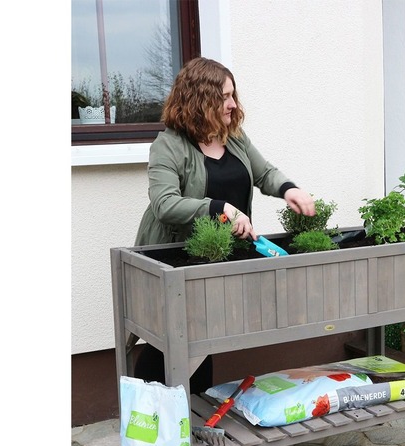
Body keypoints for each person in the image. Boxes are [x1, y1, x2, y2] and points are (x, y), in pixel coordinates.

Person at [133, 57, 316, 393]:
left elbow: (263, 173)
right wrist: (219, 208)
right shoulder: (169, 146)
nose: (233, 104)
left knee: (205, 335)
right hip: (178, 255)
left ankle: (193, 412)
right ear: (199, 100)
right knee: (172, 339)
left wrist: (289, 189)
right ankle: (150, 411)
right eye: (224, 97)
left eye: (233, 95)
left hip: (219, 255)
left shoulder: (234, 137)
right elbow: (164, 204)